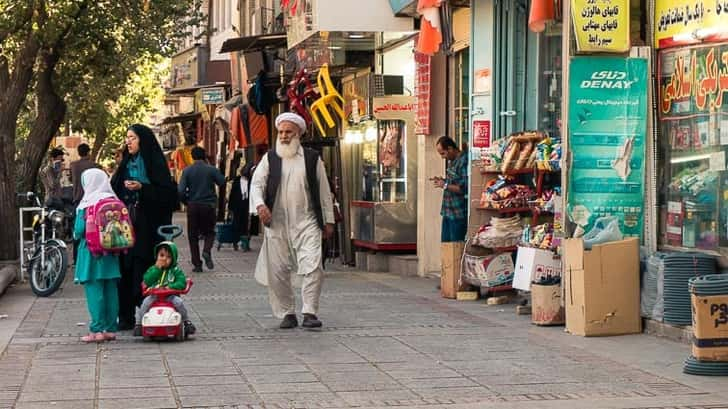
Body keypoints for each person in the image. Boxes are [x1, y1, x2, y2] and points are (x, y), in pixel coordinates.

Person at [250, 112, 335, 329]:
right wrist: (260, 205)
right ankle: (287, 312)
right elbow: (257, 184)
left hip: (307, 220)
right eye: (281, 132)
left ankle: (309, 311)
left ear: (298, 133)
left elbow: (325, 192)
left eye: (288, 132)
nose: (284, 136)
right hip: (277, 223)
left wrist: (329, 220)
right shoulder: (270, 158)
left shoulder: (312, 158)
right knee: (277, 270)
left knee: (313, 265)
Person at [111, 124, 177, 331]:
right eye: (127, 137)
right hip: (125, 227)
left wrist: (143, 188)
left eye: (132, 138)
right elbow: (114, 190)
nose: (128, 141)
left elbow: (169, 196)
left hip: (148, 227)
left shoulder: (155, 163)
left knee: (144, 267)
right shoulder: (125, 165)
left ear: (143, 140)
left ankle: (150, 311)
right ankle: (126, 316)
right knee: (124, 268)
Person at [73, 168, 121, 343]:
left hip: (91, 253)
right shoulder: (113, 200)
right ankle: (110, 329)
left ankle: (97, 330)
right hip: (112, 252)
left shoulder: (86, 204)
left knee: (95, 292)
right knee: (111, 291)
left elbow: (79, 231)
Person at [178, 146, 225, 272]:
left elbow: (181, 191)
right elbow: (222, 182)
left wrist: (187, 202)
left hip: (193, 206)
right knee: (209, 232)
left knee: (192, 236)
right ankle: (206, 250)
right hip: (208, 205)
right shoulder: (211, 170)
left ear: (192, 157)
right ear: (204, 156)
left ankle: (197, 264)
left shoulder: (187, 171)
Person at [133, 241, 195, 336]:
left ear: (173, 259)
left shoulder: (175, 271)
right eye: (162, 255)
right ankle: (140, 324)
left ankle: (186, 321)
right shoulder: (153, 269)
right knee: (144, 304)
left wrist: (171, 286)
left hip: (170, 296)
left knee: (179, 303)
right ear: (157, 256)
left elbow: (181, 282)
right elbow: (147, 280)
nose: (164, 259)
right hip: (155, 296)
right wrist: (157, 269)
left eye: (169, 257)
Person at [432, 136, 469, 242]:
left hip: (458, 214)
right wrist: (443, 181)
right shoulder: (452, 161)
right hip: (448, 212)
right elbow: (454, 182)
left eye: (443, 153)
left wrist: (445, 185)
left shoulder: (463, 161)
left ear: (450, 148)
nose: (443, 157)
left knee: (455, 249)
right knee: (446, 247)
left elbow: (464, 188)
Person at [70, 143, 100, 263]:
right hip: (92, 200)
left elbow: (72, 180)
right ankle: (93, 253)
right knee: (93, 228)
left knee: (78, 228)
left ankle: (76, 258)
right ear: (88, 152)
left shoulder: (73, 165)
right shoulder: (94, 165)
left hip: (78, 199)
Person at [228, 162, 253, 251]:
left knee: (247, 225)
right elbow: (232, 194)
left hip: (248, 205)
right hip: (237, 205)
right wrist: (230, 208)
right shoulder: (237, 180)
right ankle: (235, 242)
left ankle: (245, 244)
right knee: (236, 224)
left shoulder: (252, 181)